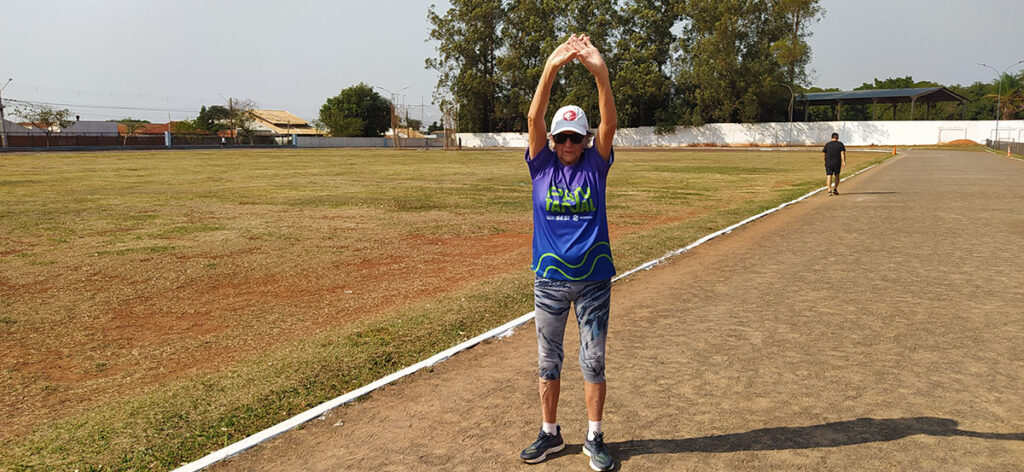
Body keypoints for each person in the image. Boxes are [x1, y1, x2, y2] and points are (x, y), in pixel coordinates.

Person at [518, 34, 617, 472]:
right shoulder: (541, 164)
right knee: (548, 360)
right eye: (562, 137)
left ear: (585, 139)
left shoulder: (596, 164)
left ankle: (594, 436)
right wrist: (550, 69)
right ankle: (551, 432)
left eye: (575, 137)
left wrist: (601, 74)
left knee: (592, 360)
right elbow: (533, 116)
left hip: (594, 279)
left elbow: (609, 123)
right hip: (549, 281)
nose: (568, 144)